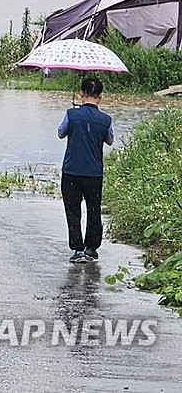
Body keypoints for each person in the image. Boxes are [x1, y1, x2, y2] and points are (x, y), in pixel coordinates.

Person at [57, 76, 114, 264]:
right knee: (93, 209)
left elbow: (60, 133)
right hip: (94, 173)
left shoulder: (71, 115)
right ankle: (91, 249)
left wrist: (74, 114)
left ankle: (77, 249)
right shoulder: (106, 120)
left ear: (82, 94)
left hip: (71, 170)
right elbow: (110, 140)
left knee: (73, 210)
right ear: (100, 96)